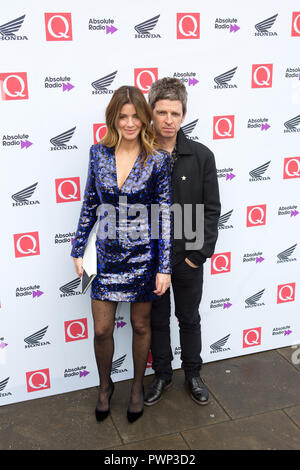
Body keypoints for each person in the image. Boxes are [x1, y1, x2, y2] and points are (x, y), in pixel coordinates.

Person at [71, 86, 172, 423]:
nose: (129, 123)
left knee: (141, 326)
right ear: (113, 118)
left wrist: (164, 266)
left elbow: (165, 216)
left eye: (135, 116)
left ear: (145, 119)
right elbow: (89, 203)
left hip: (144, 256)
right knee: (102, 330)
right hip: (103, 255)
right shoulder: (97, 153)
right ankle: (104, 387)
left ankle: (136, 389)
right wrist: (78, 248)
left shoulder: (157, 158)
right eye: (123, 116)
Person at [144, 77, 221, 406]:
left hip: (187, 256)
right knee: (157, 320)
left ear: (184, 114)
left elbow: (211, 210)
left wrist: (197, 255)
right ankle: (162, 375)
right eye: (161, 112)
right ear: (151, 113)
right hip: (152, 258)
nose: (168, 120)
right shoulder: (139, 155)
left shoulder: (202, 156)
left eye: (174, 113)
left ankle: (193, 373)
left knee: (189, 318)